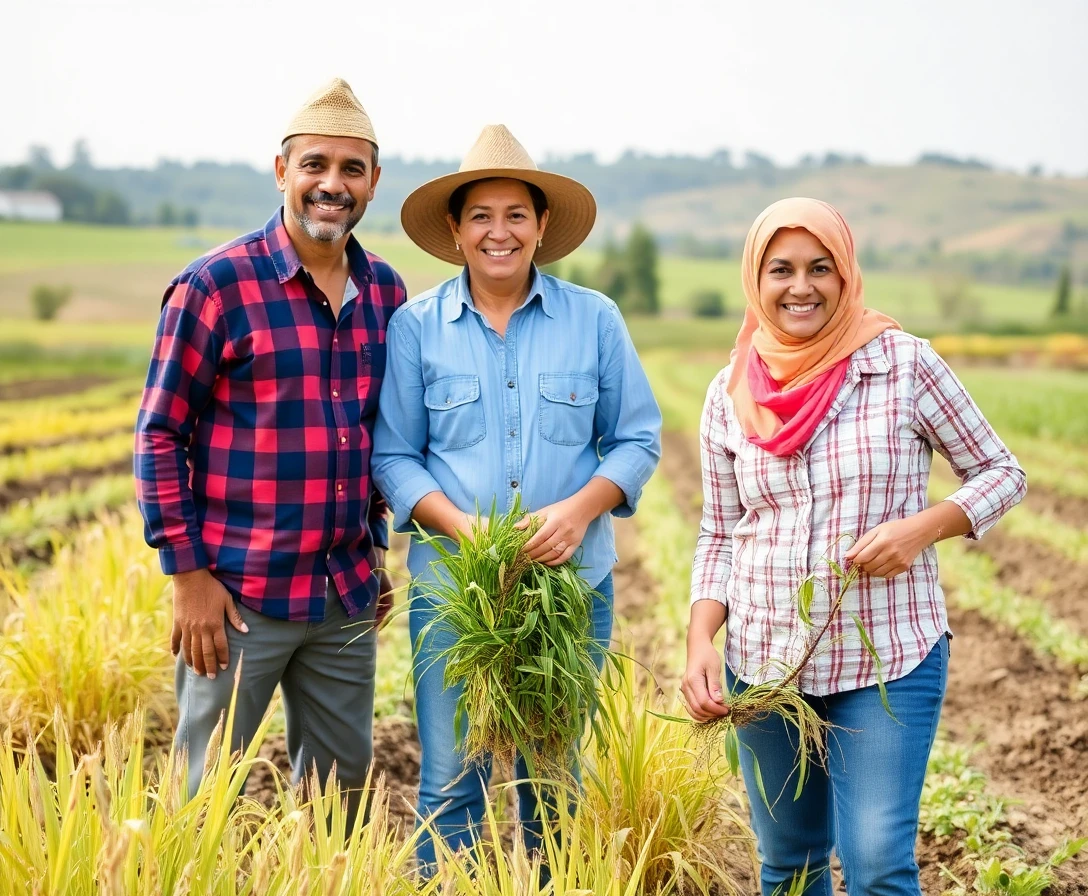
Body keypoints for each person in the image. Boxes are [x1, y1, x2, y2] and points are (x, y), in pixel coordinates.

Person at [681, 198, 1026, 896]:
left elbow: (1002, 473)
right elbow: (719, 530)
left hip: (888, 657)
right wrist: (698, 645)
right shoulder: (729, 392)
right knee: (788, 863)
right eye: (781, 269)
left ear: (847, 276)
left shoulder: (903, 365)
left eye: (820, 268)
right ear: (756, 279)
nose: (800, 286)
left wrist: (922, 528)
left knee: (875, 864)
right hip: (766, 662)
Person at [371, 124, 662, 872]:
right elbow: (395, 455)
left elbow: (636, 439)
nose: (499, 233)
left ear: (540, 230)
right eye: (481, 217)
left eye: (516, 217)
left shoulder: (594, 319)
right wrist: (461, 527)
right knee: (450, 782)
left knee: (556, 784)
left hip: (570, 591)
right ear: (455, 230)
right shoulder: (416, 328)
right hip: (452, 592)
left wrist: (578, 510)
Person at [134, 78, 405, 825]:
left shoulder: (386, 291)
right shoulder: (215, 286)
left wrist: (374, 553)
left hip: (344, 595)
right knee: (202, 793)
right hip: (238, 595)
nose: (333, 184)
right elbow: (159, 434)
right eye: (315, 164)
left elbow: (374, 438)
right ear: (281, 170)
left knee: (339, 802)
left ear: (375, 182)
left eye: (352, 169)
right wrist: (187, 577)